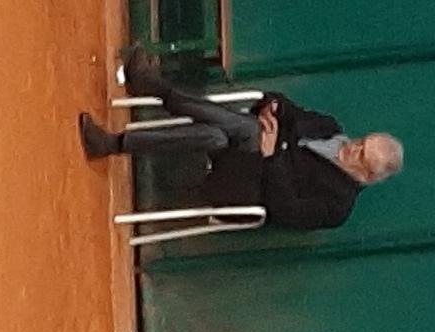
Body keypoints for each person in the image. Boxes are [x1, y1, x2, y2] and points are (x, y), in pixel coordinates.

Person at [81, 48, 401, 234]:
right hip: (237, 142)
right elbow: (290, 110)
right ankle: (112, 143)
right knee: (218, 134)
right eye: (362, 141)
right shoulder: (329, 128)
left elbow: (286, 210)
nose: (353, 147)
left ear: (368, 175)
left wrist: (271, 155)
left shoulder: (338, 205)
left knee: (245, 132)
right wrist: (273, 108)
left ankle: (152, 88)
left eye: (362, 155)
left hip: (244, 191)